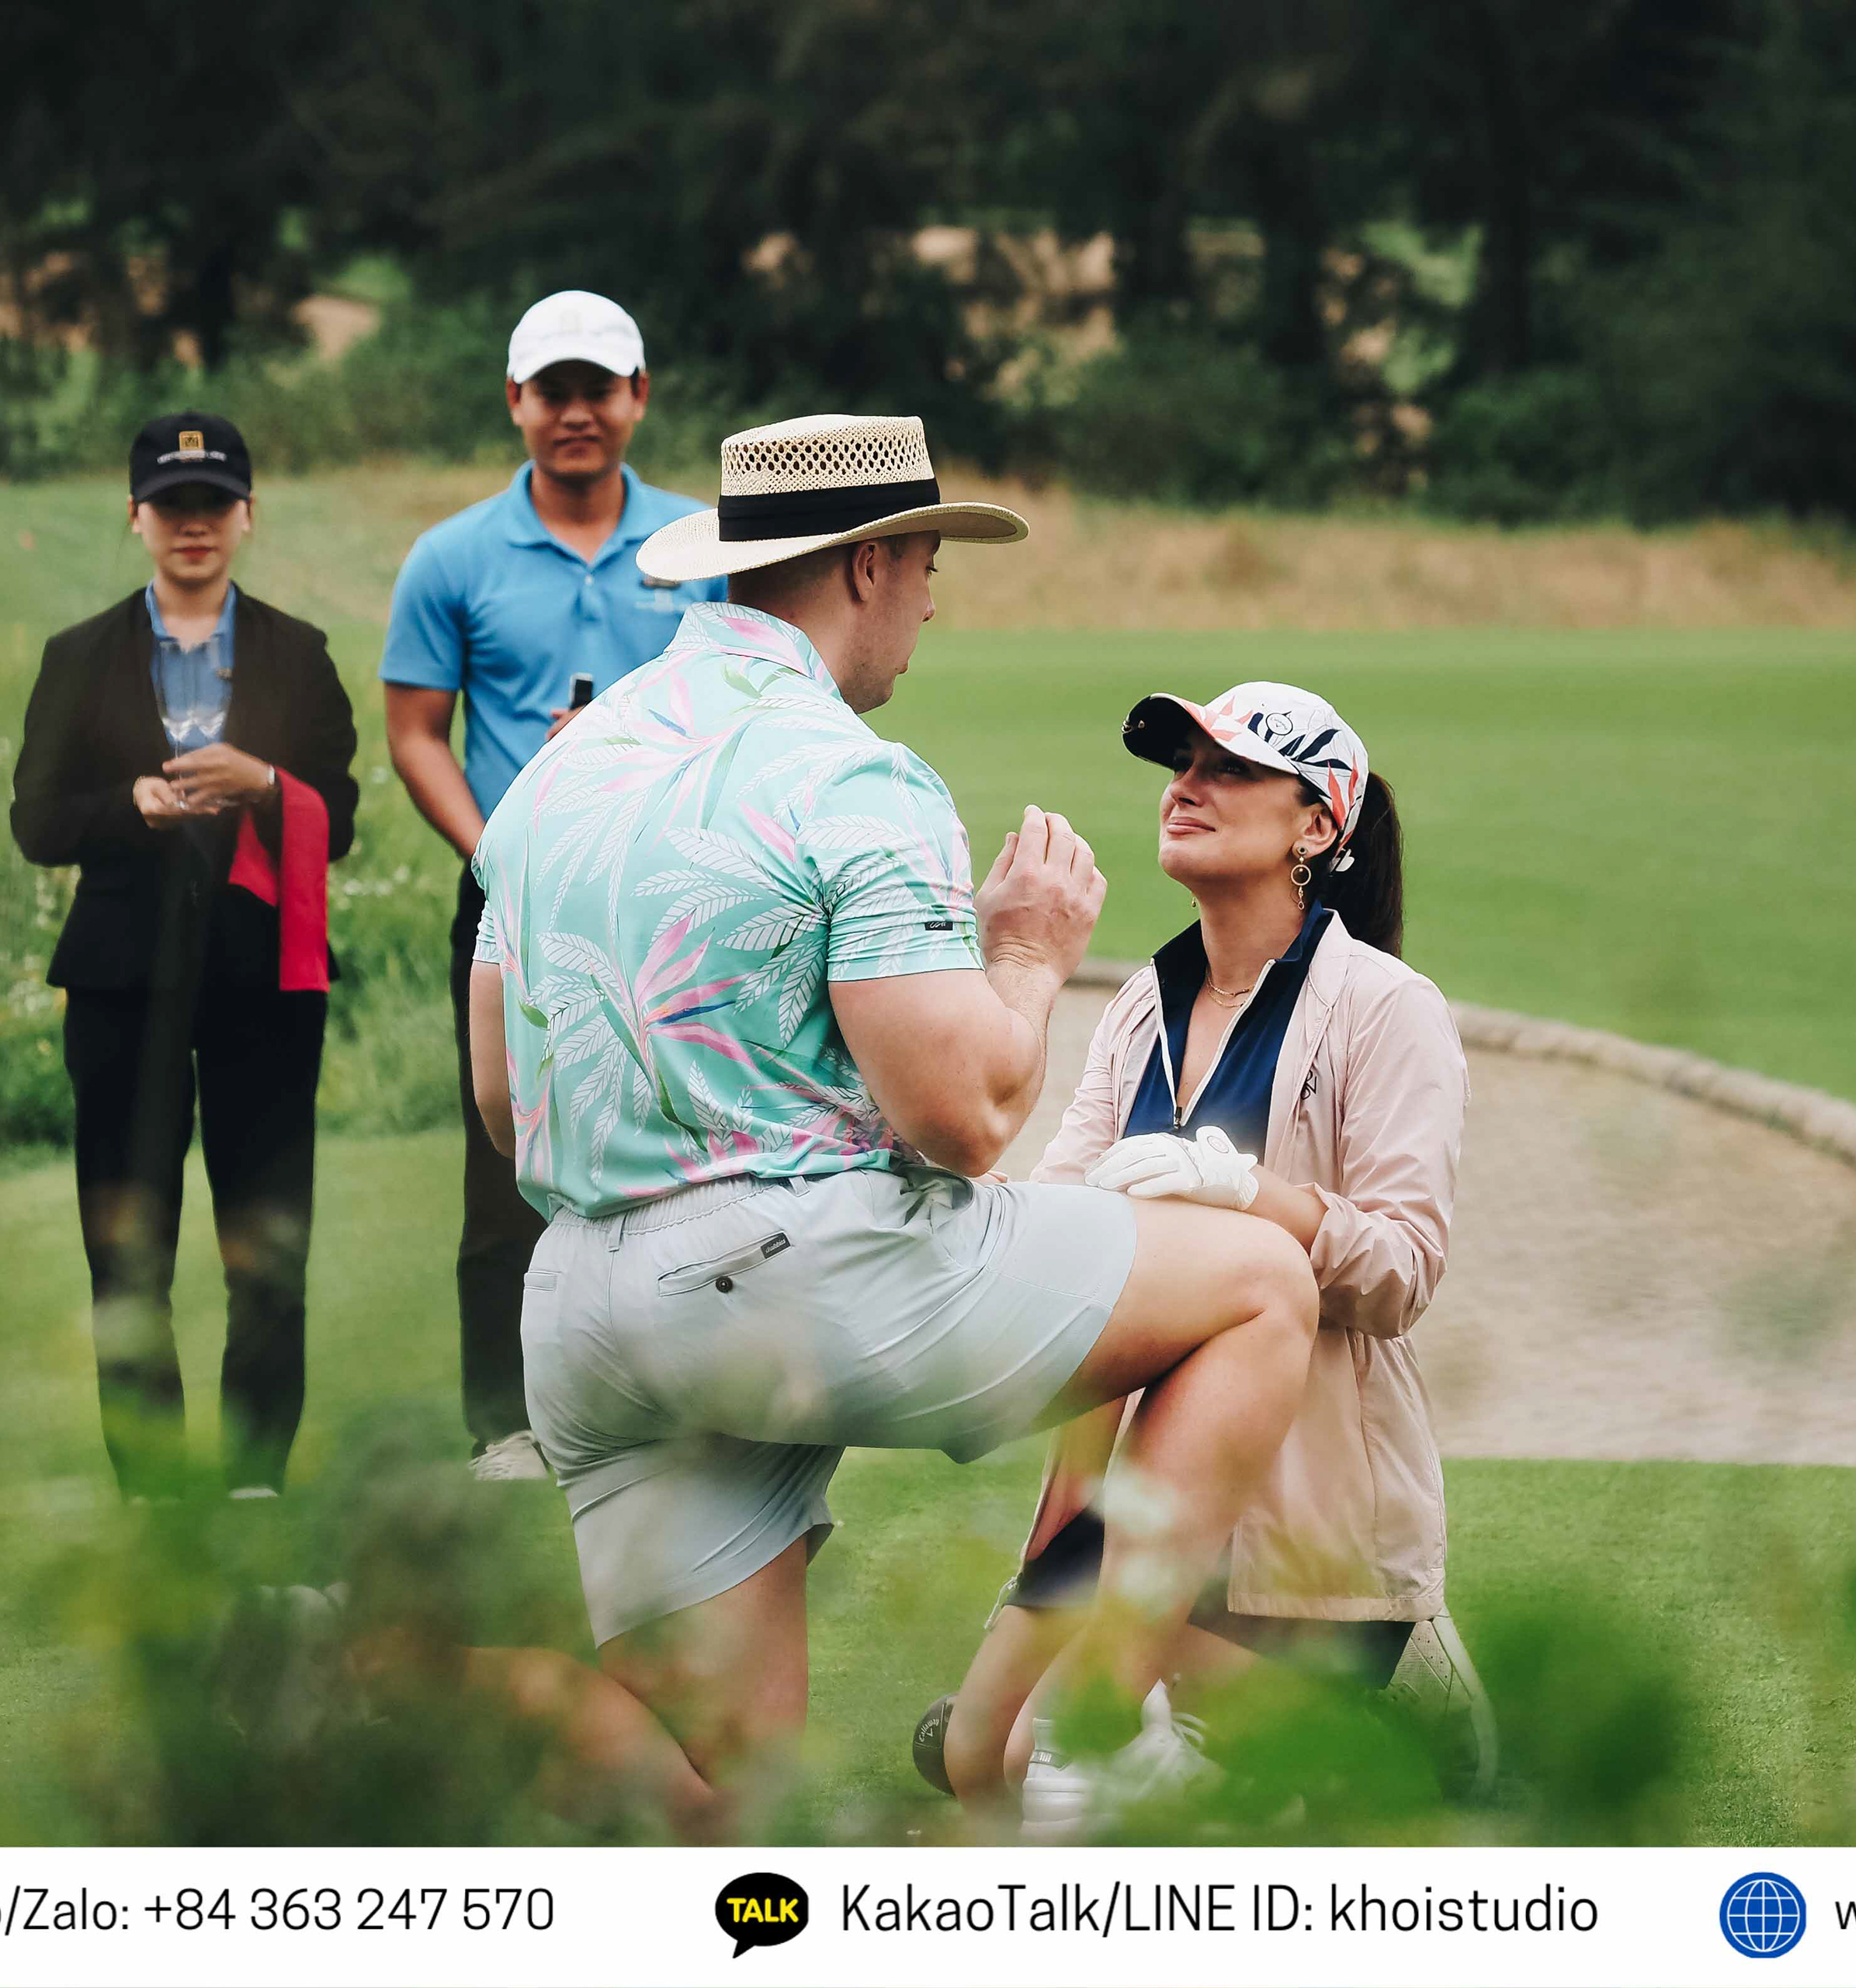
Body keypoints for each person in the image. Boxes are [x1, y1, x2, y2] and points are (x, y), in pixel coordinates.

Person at [463, 415, 1320, 1832]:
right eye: (927, 565)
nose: (930, 605)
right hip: (792, 1288)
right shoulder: (853, 773)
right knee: (1260, 1284)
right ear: (866, 564)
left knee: (727, 1812)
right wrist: (1027, 952)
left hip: (583, 1315)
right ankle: (1094, 1730)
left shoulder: (555, 772)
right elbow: (964, 1115)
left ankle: (390, 1672)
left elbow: (504, 1098)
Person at [912, 684, 1493, 1818]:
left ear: (1318, 824)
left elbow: (1403, 1269)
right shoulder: (1144, 1003)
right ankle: (1234, 1728)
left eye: (1231, 768)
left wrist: (1250, 1195)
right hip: (1142, 1508)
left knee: (1050, 1762)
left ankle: (1399, 1731)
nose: (1187, 786)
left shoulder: (1387, 1005)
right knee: (985, 1760)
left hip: (1301, 1538)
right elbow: (1056, 1219)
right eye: (1182, 763)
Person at [377, 291, 727, 1483]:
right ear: (516, 402)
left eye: (599, 389)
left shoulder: (701, 546)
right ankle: (506, 1421)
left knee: (689, 1137)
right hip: (514, 896)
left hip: (674, 892)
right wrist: (497, 850)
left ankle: (685, 1394)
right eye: (553, 391)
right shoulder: (453, 556)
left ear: (639, 396)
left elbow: (743, 698)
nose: (577, 412)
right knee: (506, 1160)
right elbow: (417, 732)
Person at [11, 411, 358, 1501]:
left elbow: (339, 816)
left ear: (248, 515)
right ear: (136, 517)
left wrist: (266, 785)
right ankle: (157, 1492)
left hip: (266, 988)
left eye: (213, 503)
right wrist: (131, 804)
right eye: (172, 505)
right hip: (121, 984)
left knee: (268, 1247)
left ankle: (254, 1486)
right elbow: (36, 822)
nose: (193, 523)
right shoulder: (79, 656)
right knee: (128, 1253)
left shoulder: (300, 653)